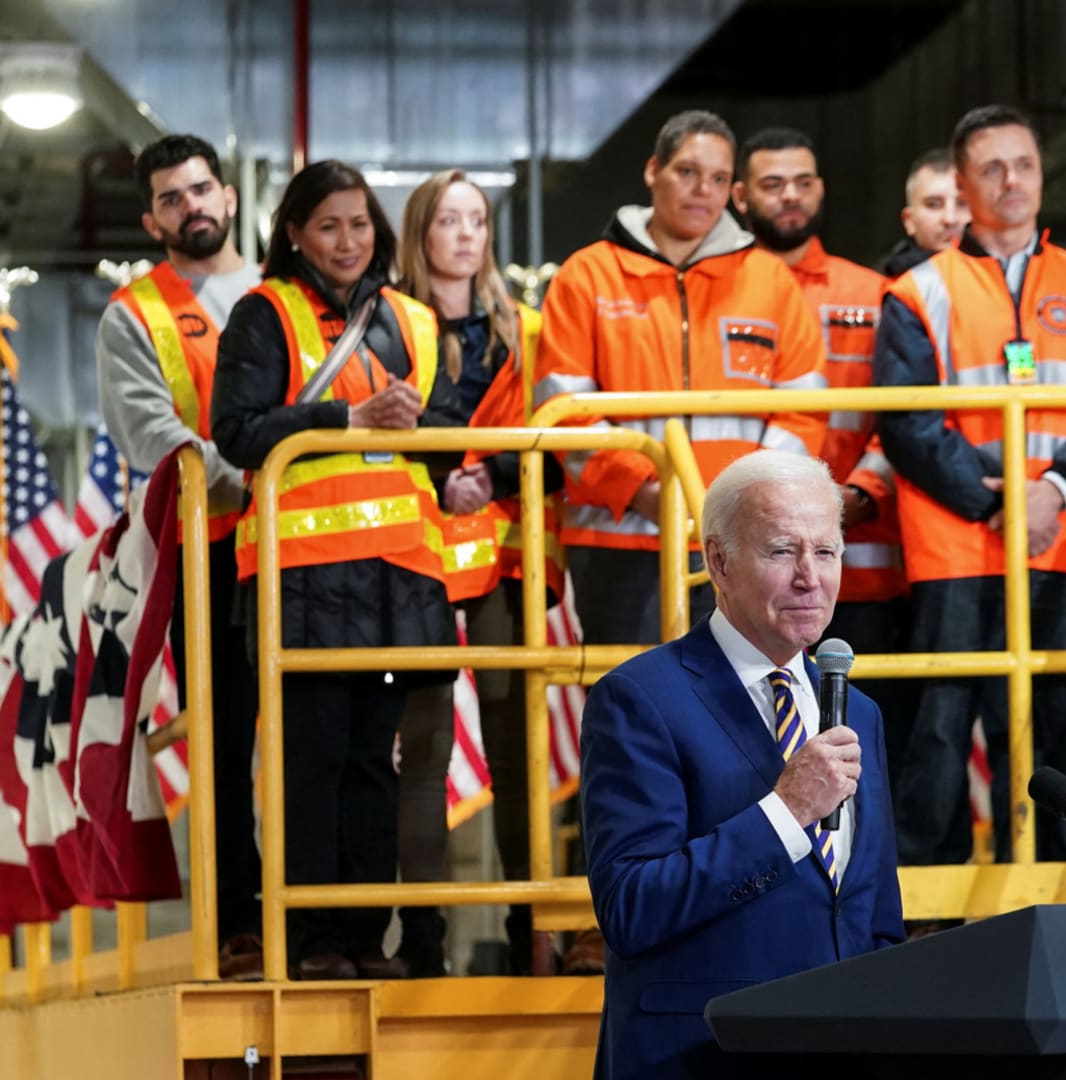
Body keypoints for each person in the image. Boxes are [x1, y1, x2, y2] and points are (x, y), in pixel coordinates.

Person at [578, 450, 913, 1080]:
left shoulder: (857, 710)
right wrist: (782, 812)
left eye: (827, 551)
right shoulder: (641, 698)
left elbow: (870, 917)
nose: (811, 577)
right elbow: (632, 906)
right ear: (717, 560)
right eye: (782, 551)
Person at [535, 109, 828, 975]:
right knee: (628, 735)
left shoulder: (771, 283)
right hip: (621, 541)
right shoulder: (588, 277)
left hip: (747, 555)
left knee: (742, 726)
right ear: (652, 174)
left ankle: (743, 886)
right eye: (686, 172)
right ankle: (609, 911)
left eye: (716, 176)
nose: (701, 190)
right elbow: (566, 412)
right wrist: (651, 489)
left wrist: (747, 514)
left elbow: (804, 412)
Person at [874, 104, 1066, 866]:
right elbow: (906, 425)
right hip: (956, 552)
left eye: (1024, 164)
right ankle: (924, 927)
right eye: (992, 167)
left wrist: (1054, 491)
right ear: (963, 183)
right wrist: (1001, 500)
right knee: (936, 736)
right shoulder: (917, 292)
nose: (1012, 180)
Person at [211, 160, 454, 981]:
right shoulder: (264, 313)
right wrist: (344, 418)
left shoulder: (413, 321)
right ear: (293, 235)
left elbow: (447, 432)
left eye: (358, 224)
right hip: (304, 580)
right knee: (313, 764)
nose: (347, 241)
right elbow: (236, 433)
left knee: (371, 767)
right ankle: (315, 942)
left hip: (396, 576)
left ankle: (364, 940)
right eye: (328, 226)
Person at [96, 134, 265, 980]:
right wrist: (270, 477)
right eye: (170, 197)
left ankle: (329, 922)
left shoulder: (290, 291)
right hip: (211, 555)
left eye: (200, 190)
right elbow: (154, 437)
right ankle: (242, 922)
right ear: (150, 217)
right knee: (225, 745)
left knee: (328, 740)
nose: (189, 206)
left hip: (317, 551)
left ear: (229, 197)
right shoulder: (136, 313)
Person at [392, 169, 553, 976]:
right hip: (413, 555)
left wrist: (493, 477)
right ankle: (424, 947)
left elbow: (560, 441)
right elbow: (369, 439)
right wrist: (439, 477)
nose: (465, 234)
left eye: (478, 220)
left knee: (517, 749)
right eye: (448, 220)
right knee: (420, 754)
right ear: (420, 232)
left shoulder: (526, 329)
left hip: (505, 557)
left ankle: (534, 938)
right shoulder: (387, 325)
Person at [732, 126, 914, 778]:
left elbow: (905, 416)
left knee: (865, 751)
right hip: (752, 572)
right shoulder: (717, 296)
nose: (790, 197)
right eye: (772, 184)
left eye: (803, 182)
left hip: (863, 561)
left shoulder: (873, 293)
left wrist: (859, 495)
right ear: (741, 195)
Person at [878, 148, 968, 278]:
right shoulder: (887, 289)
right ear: (909, 221)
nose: (950, 219)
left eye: (963, 204)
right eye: (934, 205)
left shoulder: (1004, 277)